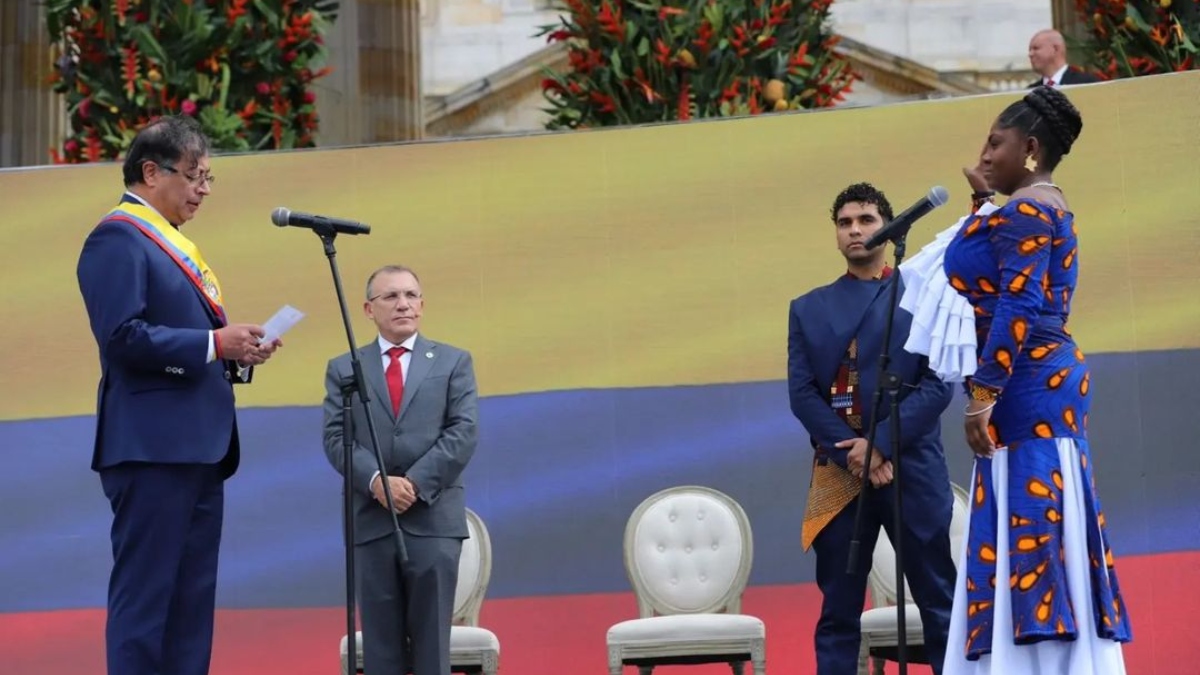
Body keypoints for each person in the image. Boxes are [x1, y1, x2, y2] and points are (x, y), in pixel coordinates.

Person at [76, 115, 282, 675]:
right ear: (151, 172)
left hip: (201, 449)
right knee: (147, 602)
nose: (204, 190)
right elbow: (122, 338)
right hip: (152, 450)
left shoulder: (173, 245)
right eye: (195, 176)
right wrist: (213, 342)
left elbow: (189, 344)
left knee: (190, 607)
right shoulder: (117, 237)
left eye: (208, 177)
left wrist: (232, 354)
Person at [940, 86, 1132, 673]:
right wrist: (982, 198)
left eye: (994, 143)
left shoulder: (1026, 210)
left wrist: (981, 397)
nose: (984, 154)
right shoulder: (1036, 204)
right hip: (1038, 379)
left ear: (1029, 148)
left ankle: (1043, 660)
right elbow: (1001, 271)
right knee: (1036, 506)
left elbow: (1018, 304)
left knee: (1032, 510)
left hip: (1027, 383)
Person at [788, 183, 958, 675]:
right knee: (838, 611)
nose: (855, 230)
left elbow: (938, 385)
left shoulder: (923, 296)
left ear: (888, 228)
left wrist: (880, 444)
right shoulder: (808, 308)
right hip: (840, 471)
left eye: (866, 220)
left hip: (912, 467)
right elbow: (803, 394)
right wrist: (855, 454)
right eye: (845, 223)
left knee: (940, 602)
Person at [322, 264, 479, 675]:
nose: (403, 304)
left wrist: (413, 484)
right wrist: (377, 481)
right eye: (391, 296)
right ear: (368, 309)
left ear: (422, 304)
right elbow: (336, 438)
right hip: (371, 522)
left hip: (433, 520)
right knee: (381, 651)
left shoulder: (453, 361)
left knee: (432, 649)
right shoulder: (345, 368)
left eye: (411, 295)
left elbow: (463, 432)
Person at [1027, 29, 1099, 88]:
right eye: (1030, 50)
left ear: (1055, 49)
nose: (1030, 54)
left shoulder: (1086, 84)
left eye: (1036, 48)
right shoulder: (1031, 92)